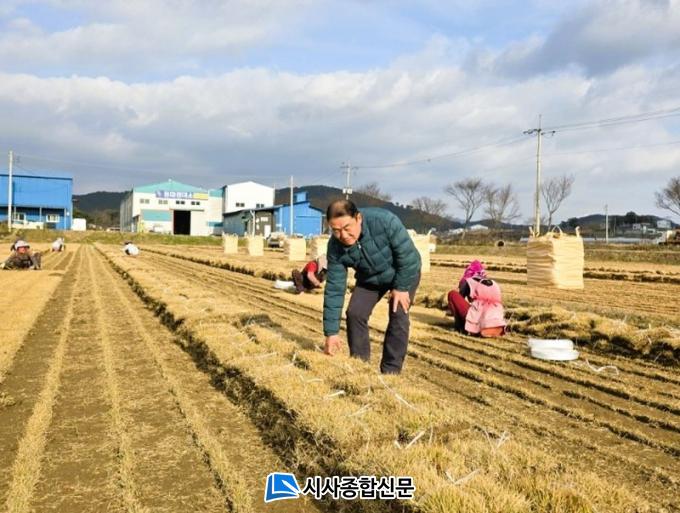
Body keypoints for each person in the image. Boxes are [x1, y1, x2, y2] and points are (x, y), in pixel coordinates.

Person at [323, 200, 421, 374]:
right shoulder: (335, 247)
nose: (343, 235)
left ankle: (391, 372)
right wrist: (331, 333)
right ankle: (360, 367)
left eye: (347, 228)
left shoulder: (385, 221)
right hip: (369, 278)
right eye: (336, 230)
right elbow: (334, 289)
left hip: (403, 272)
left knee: (398, 313)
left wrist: (401, 287)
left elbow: (409, 258)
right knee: (355, 313)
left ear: (358, 218)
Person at [447, 260, 506, 337]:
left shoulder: (469, 281)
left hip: (479, 318)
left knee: (452, 294)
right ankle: (491, 326)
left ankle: (461, 328)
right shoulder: (494, 283)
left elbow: (460, 300)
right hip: (497, 318)